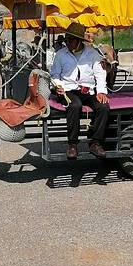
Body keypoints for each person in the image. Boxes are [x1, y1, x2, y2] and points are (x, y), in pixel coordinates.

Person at [50, 21, 110, 161]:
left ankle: (96, 143)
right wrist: (58, 86)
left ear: (78, 41)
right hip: (67, 90)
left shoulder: (92, 54)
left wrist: (101, 91)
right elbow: (54, 75)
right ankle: (72, 145)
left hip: (88, 91)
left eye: (70, 40)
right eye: (66, 40)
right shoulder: (60, 54)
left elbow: (100, 73)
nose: (67, 43)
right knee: (75, 105)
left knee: (103, 106)